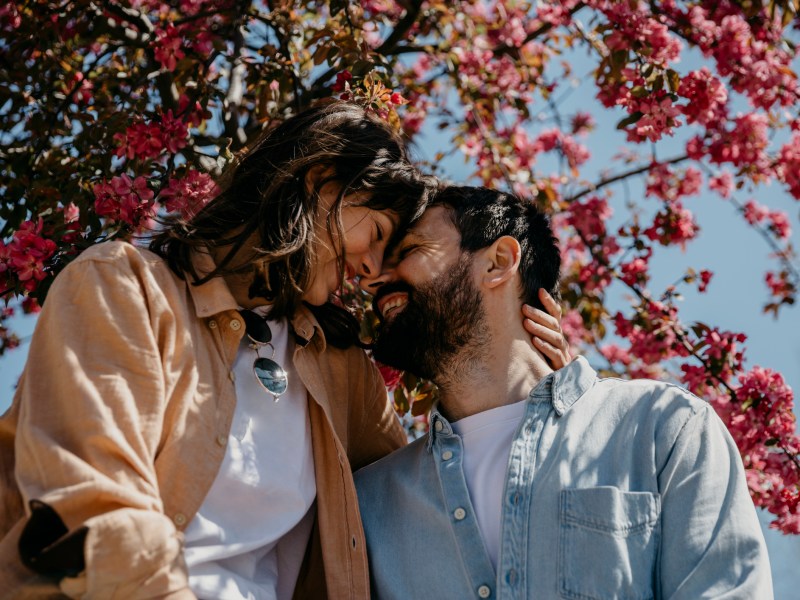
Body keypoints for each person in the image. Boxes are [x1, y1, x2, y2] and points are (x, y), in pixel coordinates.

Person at [0, 103, 569, 599]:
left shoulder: (337, 366)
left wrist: (545, 394)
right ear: (321, 181)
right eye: (375, 235)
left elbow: (426, 503)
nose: (372, 272)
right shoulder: (126, 288)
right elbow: (90, 510)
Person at [354, 186, 773, 599]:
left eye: (408, 250)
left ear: (499, 262)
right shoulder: (369, 502)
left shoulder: (661, 428)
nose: (375, 279)